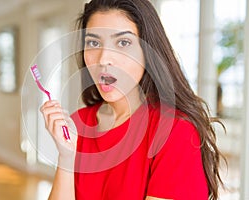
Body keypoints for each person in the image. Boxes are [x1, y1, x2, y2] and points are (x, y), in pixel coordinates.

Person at [40, 0, 225, 199]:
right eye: (93, 43)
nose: (103, 59)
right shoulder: (78, 125)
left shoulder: (174, 131)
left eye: (123, 43)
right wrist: (66, 157)